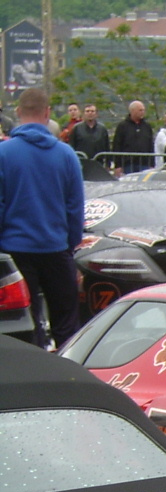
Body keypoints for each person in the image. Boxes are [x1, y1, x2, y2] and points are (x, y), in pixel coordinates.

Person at [0, 88, 85, 349]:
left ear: (17, 113)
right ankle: (68, 376)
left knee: (25, 321)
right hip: (56, 248)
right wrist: (69, 244)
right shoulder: (66, 155)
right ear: (48, 113)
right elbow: (75, 208)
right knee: (66, 322)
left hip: (15, 251)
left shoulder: (4, 154)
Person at [112, 100, 155, 176]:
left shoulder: (147, 126)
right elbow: (117, 146)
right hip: (127, 164)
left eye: (143, 110)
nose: (143, 112)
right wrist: (118, 165)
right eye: (140, 110)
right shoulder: (122, 126)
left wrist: (152, 164)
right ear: (132, 111)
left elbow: (150, 145)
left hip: (144, 164)